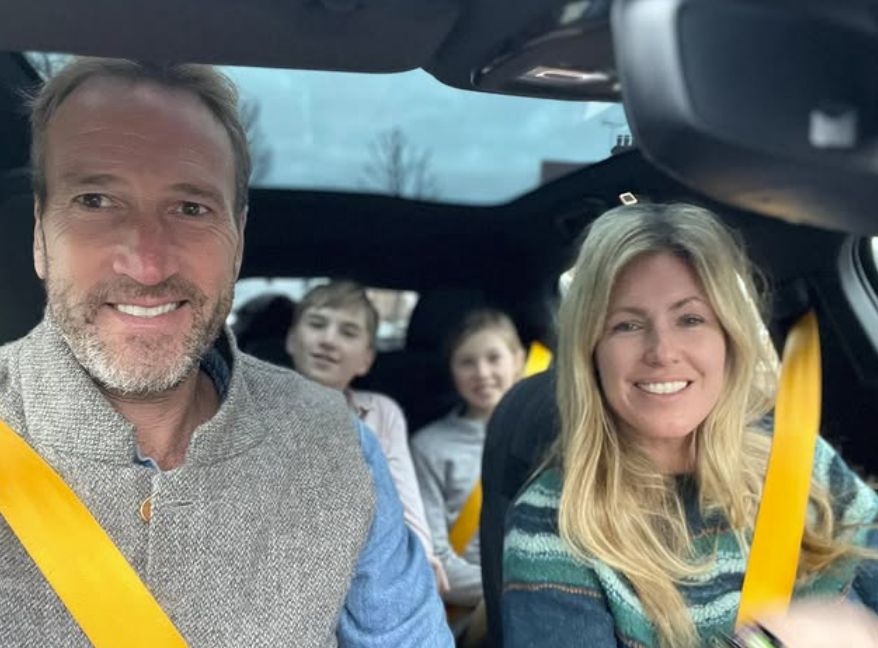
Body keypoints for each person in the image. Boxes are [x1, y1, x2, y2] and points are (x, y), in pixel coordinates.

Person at [0, 57, 452, 646]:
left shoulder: (338, 446)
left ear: (237, 241)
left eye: (191, 209)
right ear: (39, 233)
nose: (148, 264)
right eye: (96, 200)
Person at [502, 202, 878, 647]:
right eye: (627, 325)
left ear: (729, 338)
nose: (662, 351)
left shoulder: (798, 457)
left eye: (691, 319)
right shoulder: (554, 524)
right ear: (591, 352)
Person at [286, 280, 449, 592]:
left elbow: (404, 497)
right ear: (292, 339)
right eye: (317, 324)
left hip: (365, 568)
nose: (329, 340)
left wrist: (422, 555)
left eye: (348, 333)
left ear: (367, 359)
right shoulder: (257, 407)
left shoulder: (381, 413)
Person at [411, 309, 525, 617]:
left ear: (518, 361)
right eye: (467, 362)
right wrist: (518, 588)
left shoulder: (547, 435)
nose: (482, 372)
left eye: (493, 358)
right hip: (471, 609)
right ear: (452, 371)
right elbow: (435, 558)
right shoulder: (429, 447)